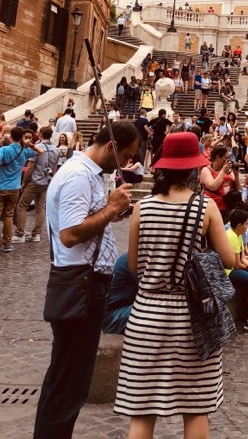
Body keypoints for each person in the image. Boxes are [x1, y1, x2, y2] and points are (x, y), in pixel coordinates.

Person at [34, 123, 138, 439]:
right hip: (82, 284)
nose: (126, 164)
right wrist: (110, 208)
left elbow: (83, 225)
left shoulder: (89, 174)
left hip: (88, 282)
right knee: (68, 383)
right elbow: (70, 234)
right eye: (126, 156)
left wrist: (111, 212)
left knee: (69, 380)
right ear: (111, 148)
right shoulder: (79, 175)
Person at [12, 126, 59, 244]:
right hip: (46, 181)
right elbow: (54, 168)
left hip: (35, 181)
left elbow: (30, 167)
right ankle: (36, 234)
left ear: (40, 134)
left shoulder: (38, 147)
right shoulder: (55, 150)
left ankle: (19, 234)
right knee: (40, 208)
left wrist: (23, 183)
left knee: (22, 205)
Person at [0, 126, 42, 251]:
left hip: (1, 186)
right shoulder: (24, 151)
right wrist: (30, 144)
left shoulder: (4, 149)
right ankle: (7, 244)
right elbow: (41, 151)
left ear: (11, 136)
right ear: (22, 137)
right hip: (14, 188)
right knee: (8, 216)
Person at [102, 253, 139, 335]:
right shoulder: (135, 259)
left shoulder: (131, 256)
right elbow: (152, 291)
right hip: (112, 317)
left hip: (120, 311)